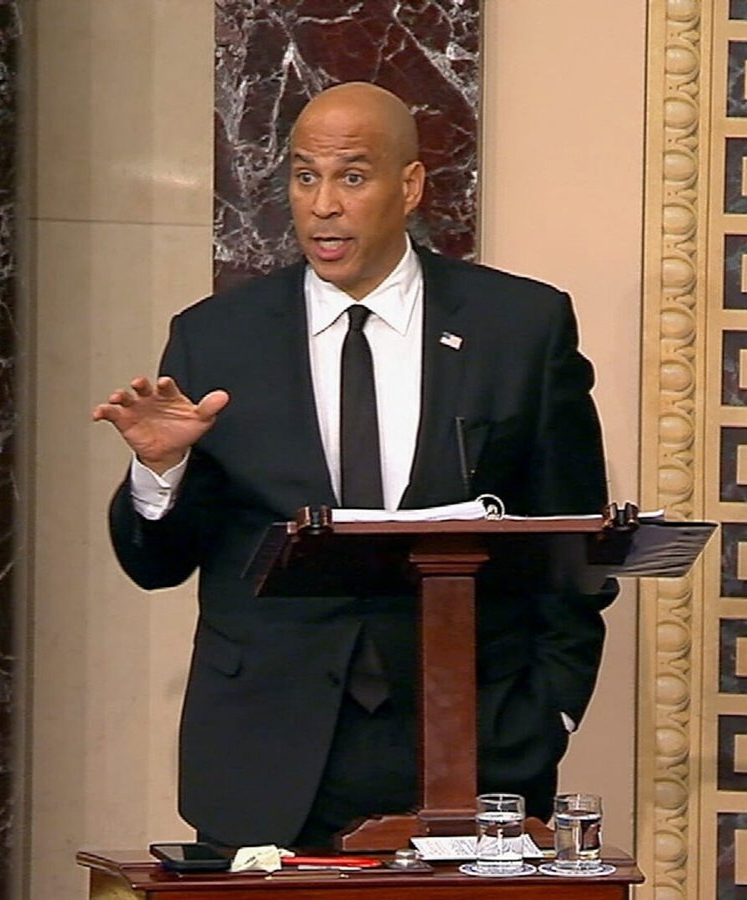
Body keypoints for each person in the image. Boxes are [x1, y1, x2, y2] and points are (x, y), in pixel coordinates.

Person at [92, 82, 616, 848]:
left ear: (408, 186)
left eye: (351, 176)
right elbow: (158, 565)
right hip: (267, 758)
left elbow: (575, 544)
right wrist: (159, 473)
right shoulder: (218, 339)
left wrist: (550, 712)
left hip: (474, 746)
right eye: (305, 177)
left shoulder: (519, 329)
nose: (322, 205)